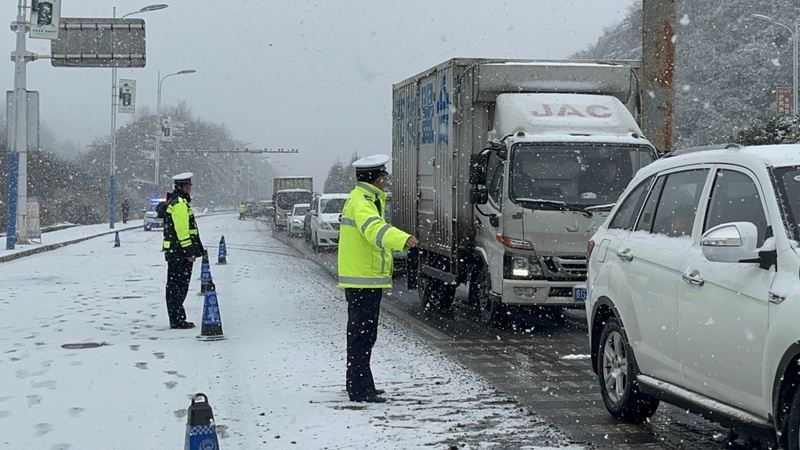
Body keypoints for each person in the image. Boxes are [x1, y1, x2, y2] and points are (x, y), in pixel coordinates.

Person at [337, 154, 419, 403]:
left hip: (365, 279)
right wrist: (402, 240)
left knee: (363, 334)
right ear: (377, 179)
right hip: (363, 279)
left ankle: (362, 384)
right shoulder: (362, 202)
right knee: (362, 335)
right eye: (383, 177)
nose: (385, 181)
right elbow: (373, 229)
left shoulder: (366, 198)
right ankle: (360, 390)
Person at [162, 172, 206, 330]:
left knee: (174, 286)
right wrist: (189, 251)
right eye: (189, 186)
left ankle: (176, 317)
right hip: (180, 252)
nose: (190, 188)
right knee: (178, 287)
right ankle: (177, 320)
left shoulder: (175, 202)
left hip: (175, 251)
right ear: (185, 187)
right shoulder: (180, 204)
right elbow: (182, 231)